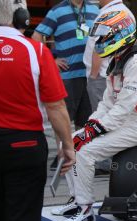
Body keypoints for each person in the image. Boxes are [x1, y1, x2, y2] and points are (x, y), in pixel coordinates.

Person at [51, 10, 137, 221]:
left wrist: (92, 132)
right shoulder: (118, 60)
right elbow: (106, 104)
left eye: (104, 37)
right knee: (69, 141)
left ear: (120, 35)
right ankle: (75, 199)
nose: (100, 42)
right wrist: (90, 126)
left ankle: (86, 209)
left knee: (84, 153)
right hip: (121, 121)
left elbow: (123, 109)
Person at [0, 1, 76, 221]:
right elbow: (56, 107)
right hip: (24, 145)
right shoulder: (37, 50)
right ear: (22, 17)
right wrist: (67, 146)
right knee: (23, 219)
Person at [31, 0, 99, 170]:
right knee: (64, 119)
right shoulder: (57, 11)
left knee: (87, 119)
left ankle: (82, 155)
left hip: (88, 74)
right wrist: (51, 61)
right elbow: (37, 37)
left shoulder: (93, 9)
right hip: (68, 76)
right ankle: (62, 155)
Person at [84, 0, 135, 175]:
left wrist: (93, 75)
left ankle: (105, 161)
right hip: (115, 72)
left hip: (102, 75)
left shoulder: (107, 15)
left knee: (102, 117)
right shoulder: (126, 12)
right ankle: (113, 158)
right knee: (114, 116)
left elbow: (99, 47)